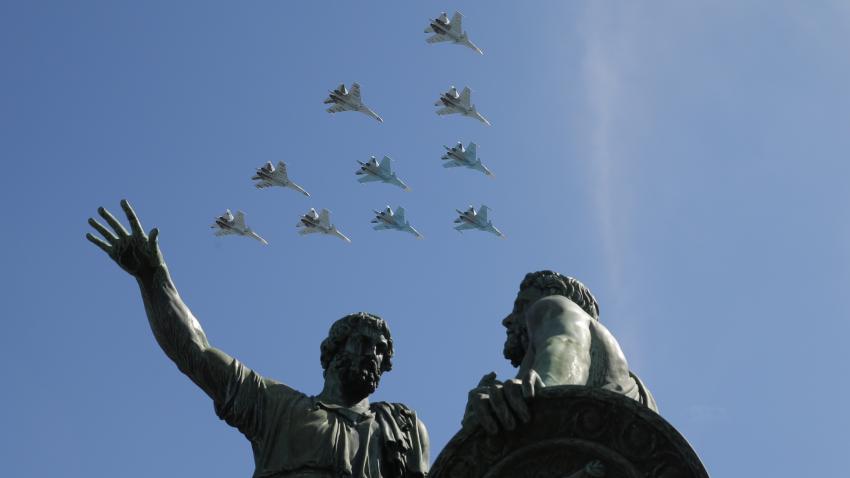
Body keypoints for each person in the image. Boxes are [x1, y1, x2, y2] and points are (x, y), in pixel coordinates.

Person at [86, 200, 428, 478]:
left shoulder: (400, 429)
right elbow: (195, 351)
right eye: (363, 343)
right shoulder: (277, 407)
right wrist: (153, 279)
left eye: (381, 351)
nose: (373, 355)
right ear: (334, 350)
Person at [463, 270, 657, 434]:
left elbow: (566, 346)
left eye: (521, 306)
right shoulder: (630, 385)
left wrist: (544, 389)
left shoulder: (552, 305)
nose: (507, 320)